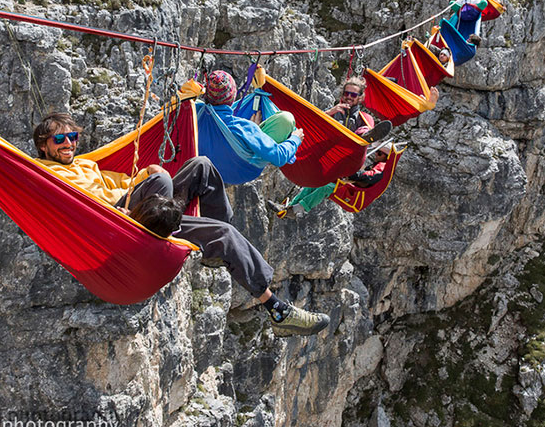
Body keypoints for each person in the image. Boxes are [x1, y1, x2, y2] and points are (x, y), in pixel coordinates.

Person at [33, 112, 330, 338]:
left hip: (148, 211)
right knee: (162, 179)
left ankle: (268, 302)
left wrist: (147, 173)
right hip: (119, 224)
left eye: (72, 137)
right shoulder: (44, 173)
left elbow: (125, 182)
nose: (69, 143)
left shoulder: (86, 165)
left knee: (202, 166)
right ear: (43, 147)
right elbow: (81, 204)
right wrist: (153, 177)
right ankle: (205, 242)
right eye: (59, 139)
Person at [203, 69, 304, 168]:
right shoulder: (243, 128)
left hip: (208, 162)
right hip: (239, 169)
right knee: (286, 119)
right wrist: (295, 139)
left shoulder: (196, 112)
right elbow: (278, 157)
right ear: (233, 96)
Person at [325, 77, 391, 143]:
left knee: (366, 125)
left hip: (351, 148)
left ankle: (365, 135)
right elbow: (315, 121)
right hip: (328, 143)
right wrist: (329, 112)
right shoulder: (332, 111)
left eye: (353, 95)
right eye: (346, 93)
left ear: (360, 97)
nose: (349, 97)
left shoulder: (364, 118)